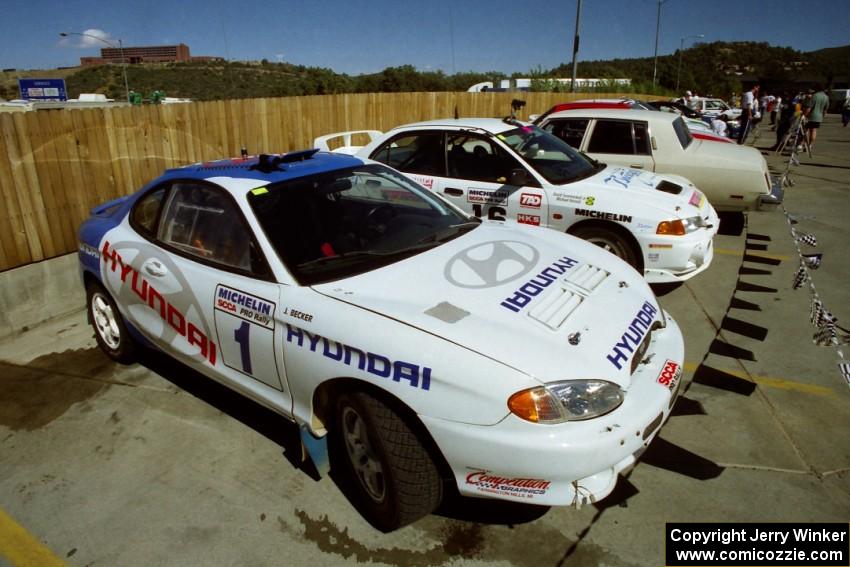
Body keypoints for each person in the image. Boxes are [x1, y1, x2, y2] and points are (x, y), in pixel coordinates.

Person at [804, 84, 829, 150]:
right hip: (819, 116)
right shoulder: (826, 97)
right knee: (814, 130)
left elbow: (809, 107)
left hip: (811, 115)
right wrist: (823, 116)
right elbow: (825, 109)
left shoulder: (814, 96)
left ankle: (802, 144)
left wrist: (805, 115)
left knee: (805, 130)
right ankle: (810, 145)